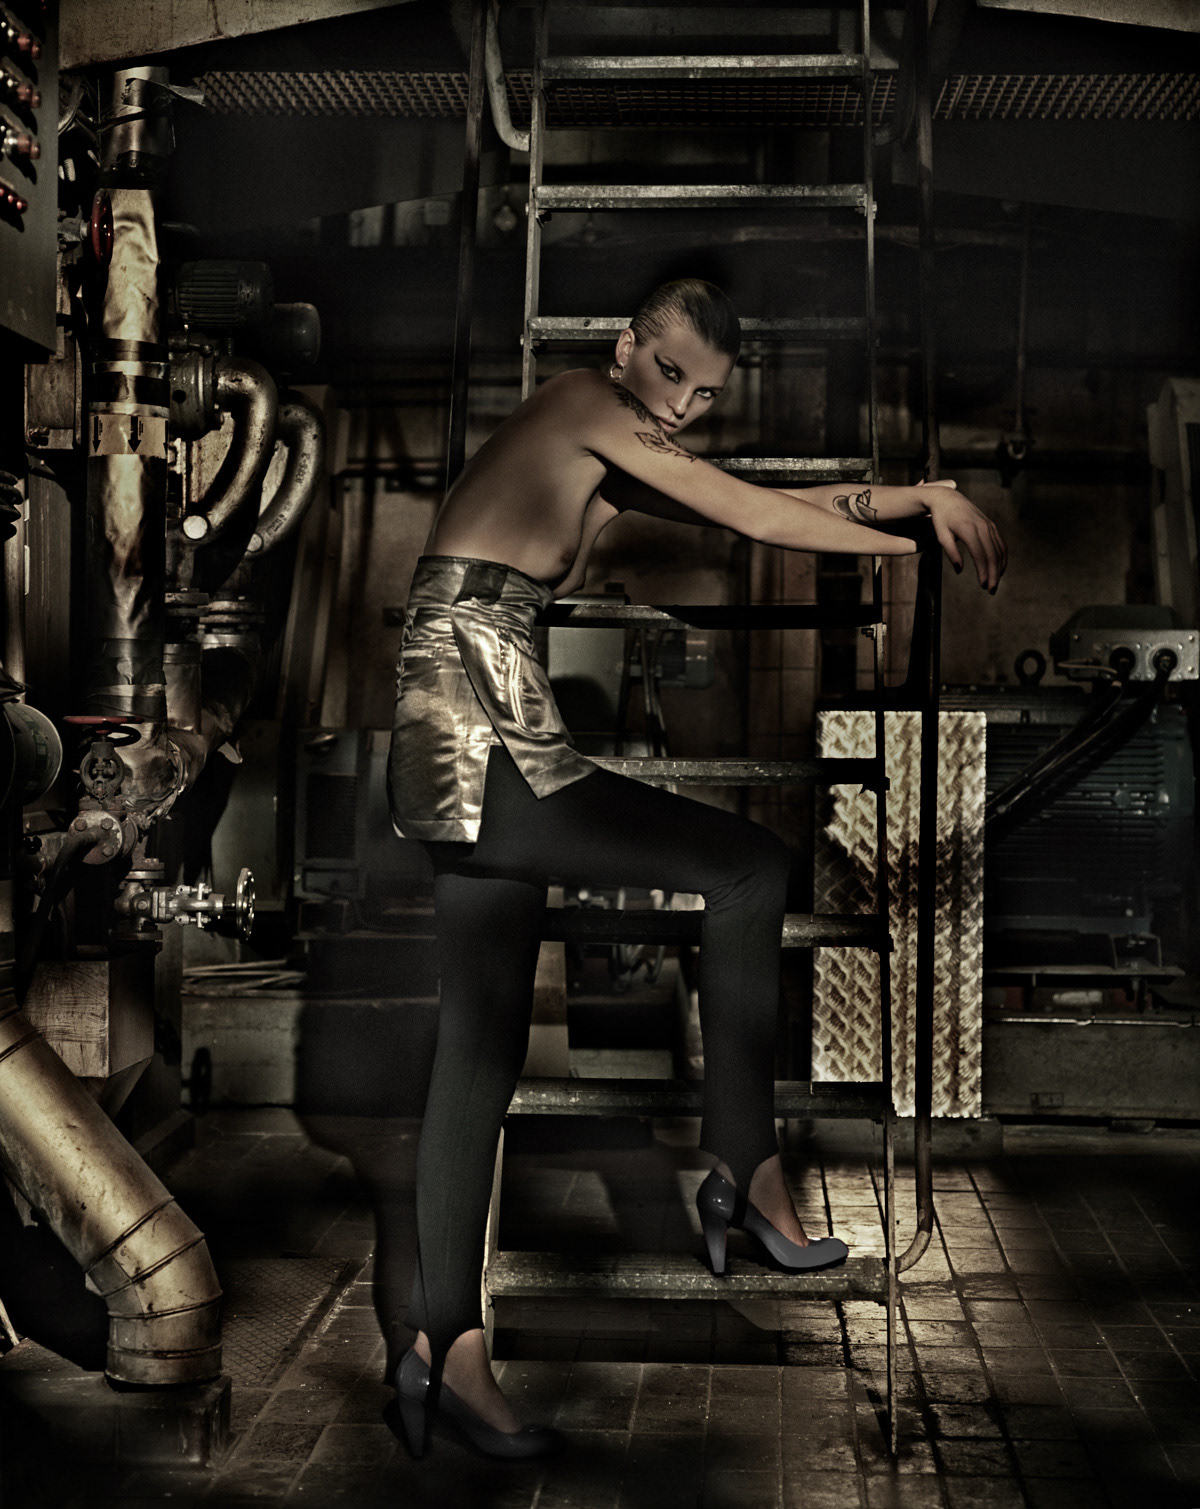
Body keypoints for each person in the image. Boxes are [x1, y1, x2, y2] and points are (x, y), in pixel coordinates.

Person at [384, 278, 1006, 1460]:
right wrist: (909, 538)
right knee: (748, 868)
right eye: (670, 374)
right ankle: (748, 1171)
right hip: (482, 740)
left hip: (466, 734)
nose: (681, 407)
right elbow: (759, 519)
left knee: (476, 1057)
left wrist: (914, 499)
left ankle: (440, 1351)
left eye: (707, 395)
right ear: (627, 347)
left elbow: (762, 505)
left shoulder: (607, 445)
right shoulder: (580, 398)